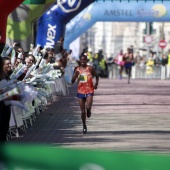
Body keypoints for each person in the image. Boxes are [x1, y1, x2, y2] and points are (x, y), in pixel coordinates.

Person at [71, 54, 99, 134]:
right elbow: (72, 81)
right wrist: (75, 76)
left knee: (88, 107)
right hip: (80, 91)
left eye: (84, 59)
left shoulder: (90, 68)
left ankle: (89, 110)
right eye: (81, 59)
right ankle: (84, 126)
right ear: (79, 60)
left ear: (86, 60)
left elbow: (97, 76)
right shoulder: (76, 69)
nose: (83, 61)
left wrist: (96, 84)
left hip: (89, 90)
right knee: (82, 112)